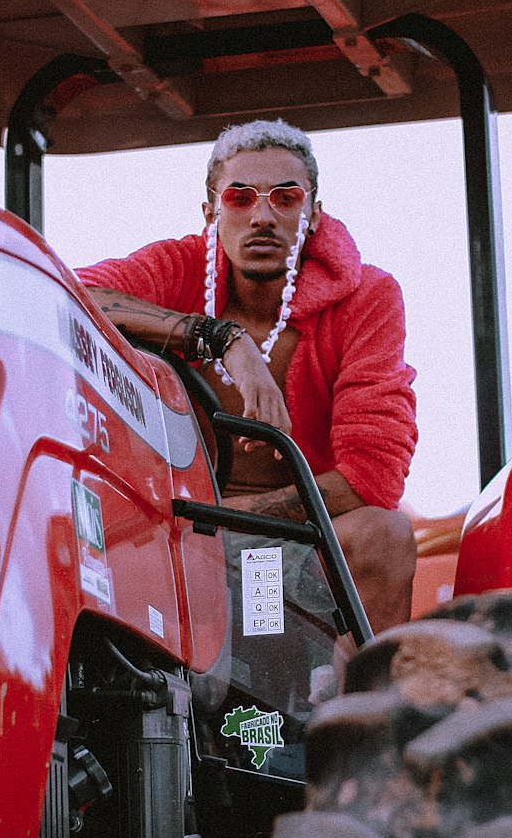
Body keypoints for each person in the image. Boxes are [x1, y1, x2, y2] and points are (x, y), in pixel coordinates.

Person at [75, 119, 418, 633]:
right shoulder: (180, 268)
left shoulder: (367, 298)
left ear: (314, 214)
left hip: (287, 541)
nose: (262, 216)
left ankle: (358, 710)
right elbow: (71, 293)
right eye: (240, 198)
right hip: (177, 539)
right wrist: (220, 339)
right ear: (212, 212)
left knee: (385, 535)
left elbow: (372, 476)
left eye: (285, 198)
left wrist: (220, 522)